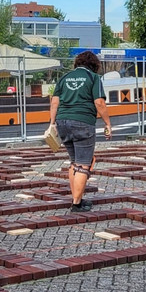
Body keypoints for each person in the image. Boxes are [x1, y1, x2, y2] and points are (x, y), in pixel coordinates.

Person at [48, 50, 112, 213]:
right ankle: (76, 204)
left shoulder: (64, 78)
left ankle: (77, 199)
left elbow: (54, 102)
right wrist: (108, 124)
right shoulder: (94, 78)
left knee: (74, 162)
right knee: (84, 164)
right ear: (94, 65)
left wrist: (52, 123)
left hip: (62, 121)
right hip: (83, 121)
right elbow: (99, 103)